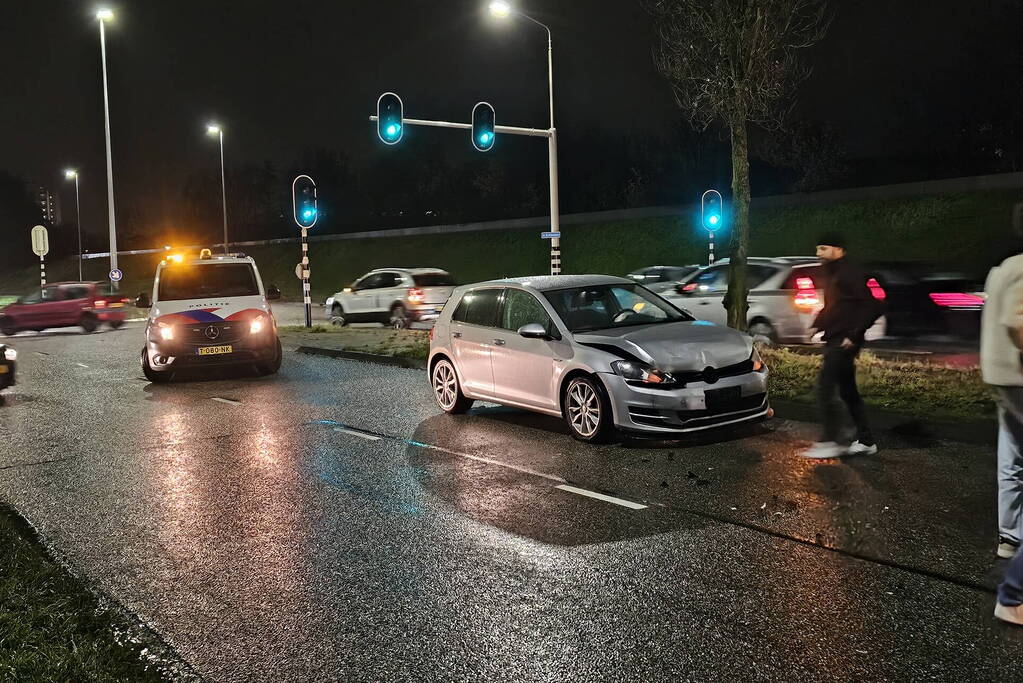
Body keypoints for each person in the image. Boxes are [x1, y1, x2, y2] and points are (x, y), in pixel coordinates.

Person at [802, 233, 882, 459]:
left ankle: (830, 440)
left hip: (844, 342)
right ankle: (866, 441)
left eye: (823, 249)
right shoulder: (832, 273)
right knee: (848, 392)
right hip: (836, 338)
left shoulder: (849, 273)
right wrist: (816, 326)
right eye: (818, 249)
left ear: (838, 250)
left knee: (825, 389)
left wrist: (854, 335)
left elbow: (872, 306)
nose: (818, 254)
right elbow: (834, 306)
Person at [981, 247, 1023, 567]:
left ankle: (1010, 535)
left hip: (1002, 376)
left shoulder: (1001, 268)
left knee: (1011, 458)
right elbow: (1016, 323)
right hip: (1019, 375)